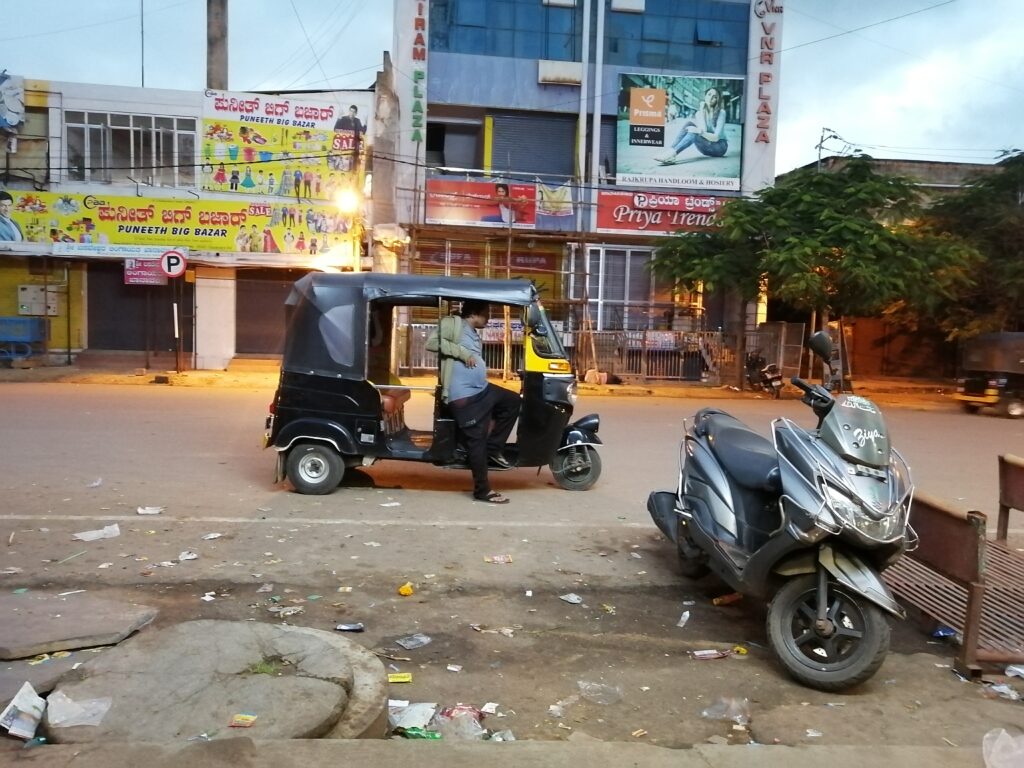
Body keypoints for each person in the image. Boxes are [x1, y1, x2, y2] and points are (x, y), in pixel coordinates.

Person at [426, 300, 521, 505]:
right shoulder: (453, 324)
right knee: (476, 439)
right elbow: (431, 343)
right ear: (475, 313)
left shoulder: (472, 332)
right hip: (463, 396)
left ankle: (494, 448)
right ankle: (482, 490)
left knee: (513, 401)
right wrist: (462, 353)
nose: (488, 318)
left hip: (481, 389)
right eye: (486, 314)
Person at [656, 87, 729, 163]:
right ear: (705, 96)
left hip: (719, 147)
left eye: (714, 97)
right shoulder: (699, 113)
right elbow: (703, 129)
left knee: (694, 133)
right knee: (689, 124)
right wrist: (702, 110)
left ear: (717, 100)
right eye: (709, 94)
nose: (710, 98)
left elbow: (716, 137)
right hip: (705, 148)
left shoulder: (721, 113)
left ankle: (672, 154)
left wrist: (698, 132)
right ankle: (670, 151)